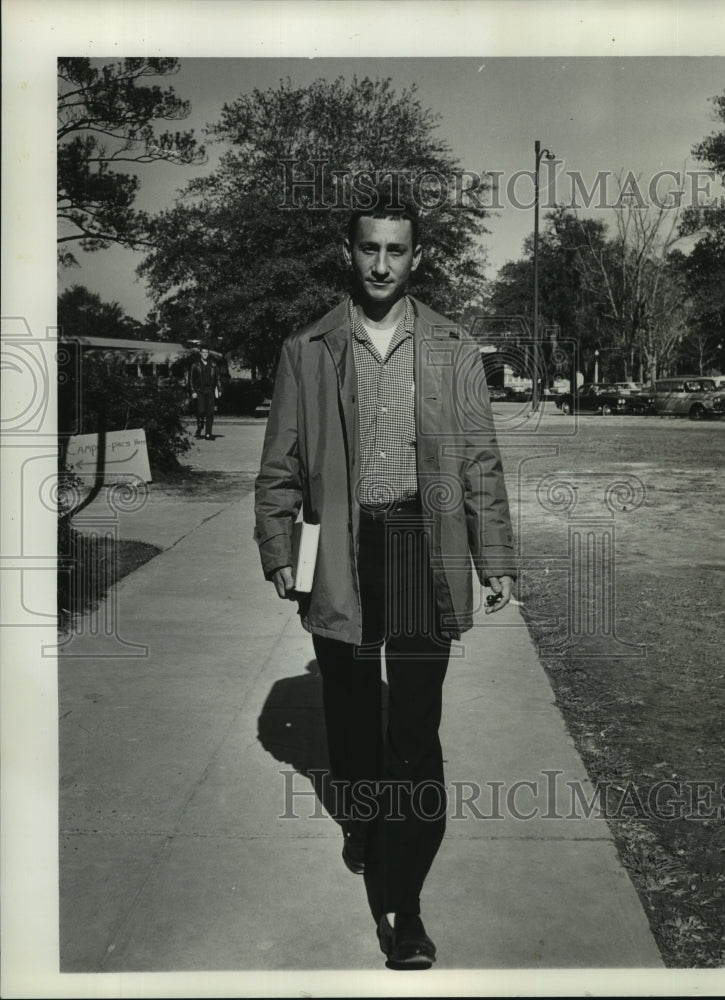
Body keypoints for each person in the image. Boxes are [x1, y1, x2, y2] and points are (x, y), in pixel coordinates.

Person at [254, 188, 516, 970]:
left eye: (395, 250)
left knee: (412, 726)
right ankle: (364, 818)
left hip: (414, 546)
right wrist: (278, 549)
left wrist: (492, 556)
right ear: (349, 252)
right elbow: (280, 465)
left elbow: (478, 460)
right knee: (355, 721)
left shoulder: (452, 346)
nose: (380, 263)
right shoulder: (308, 347)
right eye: (368, 248)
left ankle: (401, 905)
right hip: (337, 547)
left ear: (416, 257)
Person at [189, 346, 221, 440]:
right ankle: (200, 427)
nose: (205, 354)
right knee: (201, 410)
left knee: (210, 412)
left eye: (206, 352)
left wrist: (219, 390)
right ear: (200, 353)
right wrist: (193, 391)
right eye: (203, 352)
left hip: (210, 391)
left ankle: (208, 433)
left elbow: (217, 378)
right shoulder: (195, 365)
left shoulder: (213, 365)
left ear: (208, 353)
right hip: (199, 391)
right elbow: (190, 379)